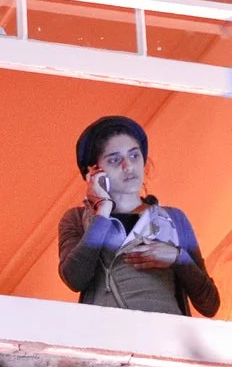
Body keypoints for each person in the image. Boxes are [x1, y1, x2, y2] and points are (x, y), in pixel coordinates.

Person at [56, 114, 221, 317]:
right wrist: (102, 212)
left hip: (165, 340)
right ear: (93, 171)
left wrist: (178, 257)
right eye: (115, 160)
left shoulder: (173, 218)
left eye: (134, 156)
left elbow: (210, 304)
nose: (128, 167)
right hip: (107, 335)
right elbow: (74, 278)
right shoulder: (76, 219)